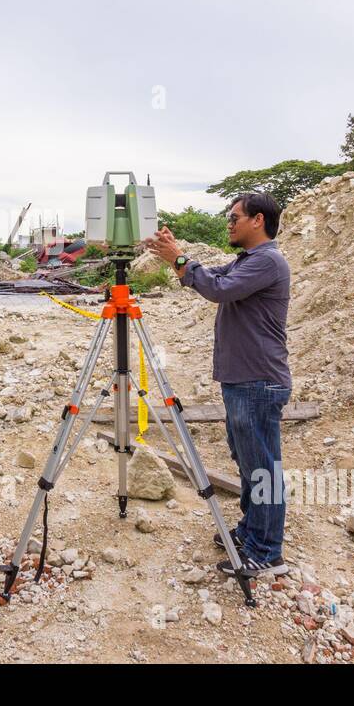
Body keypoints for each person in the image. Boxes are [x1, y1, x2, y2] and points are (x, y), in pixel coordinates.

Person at [144, 191, 292, 577]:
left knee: (262, 469)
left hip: (258, 380)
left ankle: (266, 552)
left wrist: (177, 257)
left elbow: (217, 289)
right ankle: (251, 530)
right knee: (248, 463)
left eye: (234, 216)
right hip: (244, 379)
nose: (229, 223)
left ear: (257, 220)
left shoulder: (268, 261)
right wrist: (174, 257)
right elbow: (214, 278)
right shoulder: (250, 261)